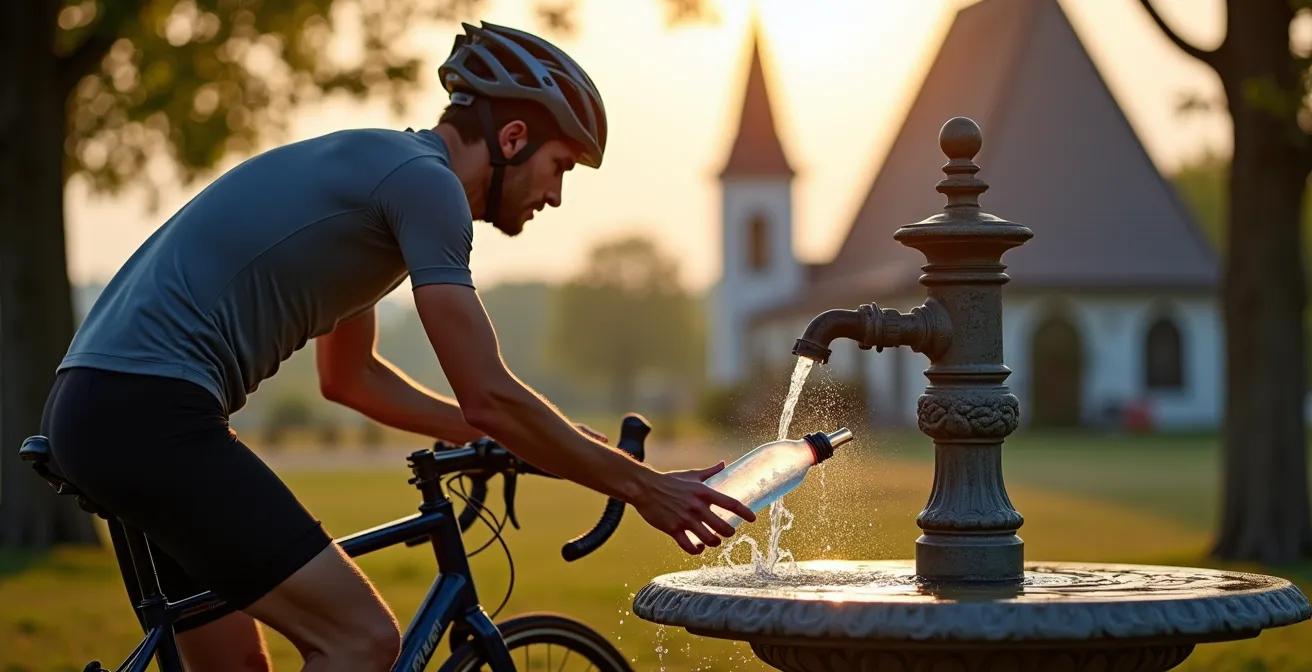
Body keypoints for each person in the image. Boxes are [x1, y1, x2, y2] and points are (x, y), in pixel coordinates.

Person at [40, 21, 756, 671]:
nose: (557, 195)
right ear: (511, 139)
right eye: (561, 165)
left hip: (103, 407)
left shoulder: (382, 182)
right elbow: (490, 392)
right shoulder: (427, 189)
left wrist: (491, 436)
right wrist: (644, 486)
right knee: (360, 641)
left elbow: (350, 377)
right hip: (152, 416)